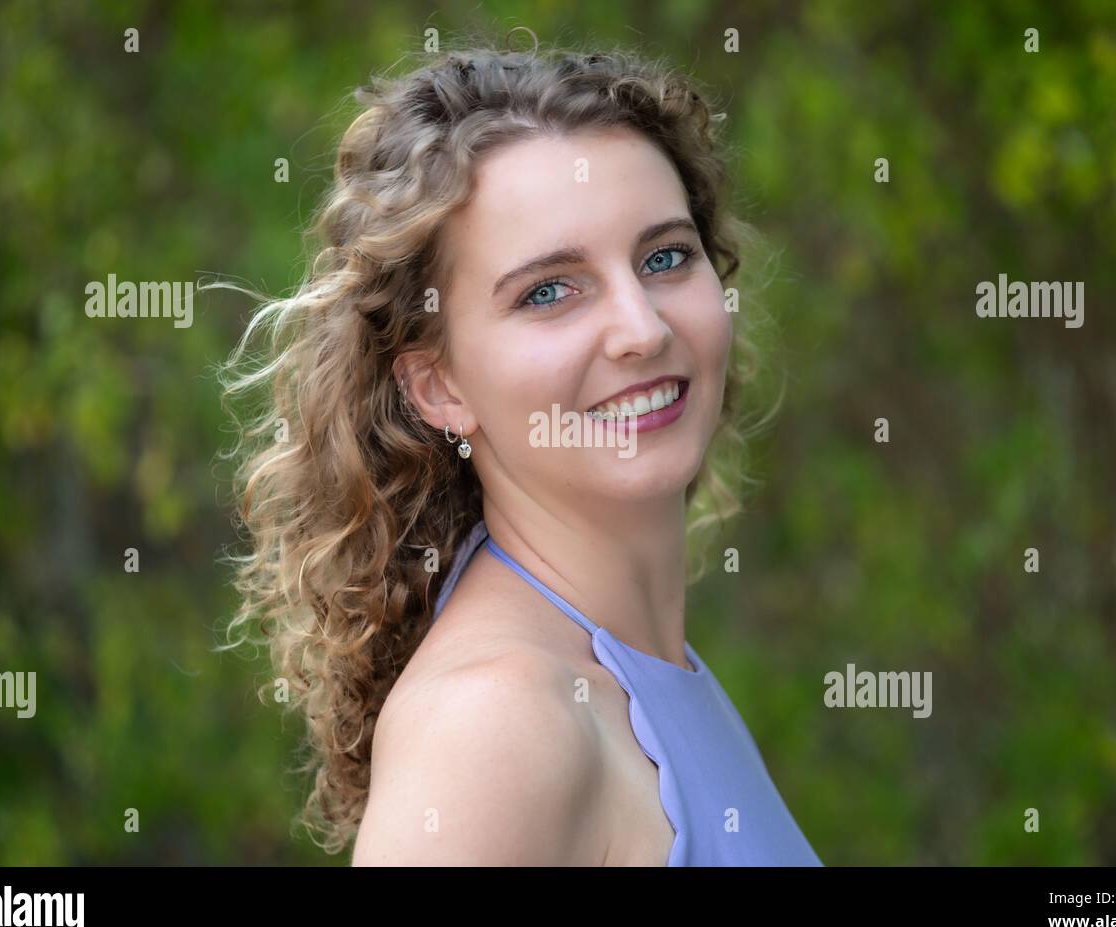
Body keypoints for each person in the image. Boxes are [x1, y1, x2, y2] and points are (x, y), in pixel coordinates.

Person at [216, 30, 822, 866]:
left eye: (666, 256)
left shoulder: (648, 671)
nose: (641, 329)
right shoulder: (495, 726)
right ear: (438, 386)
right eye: (549, 291)